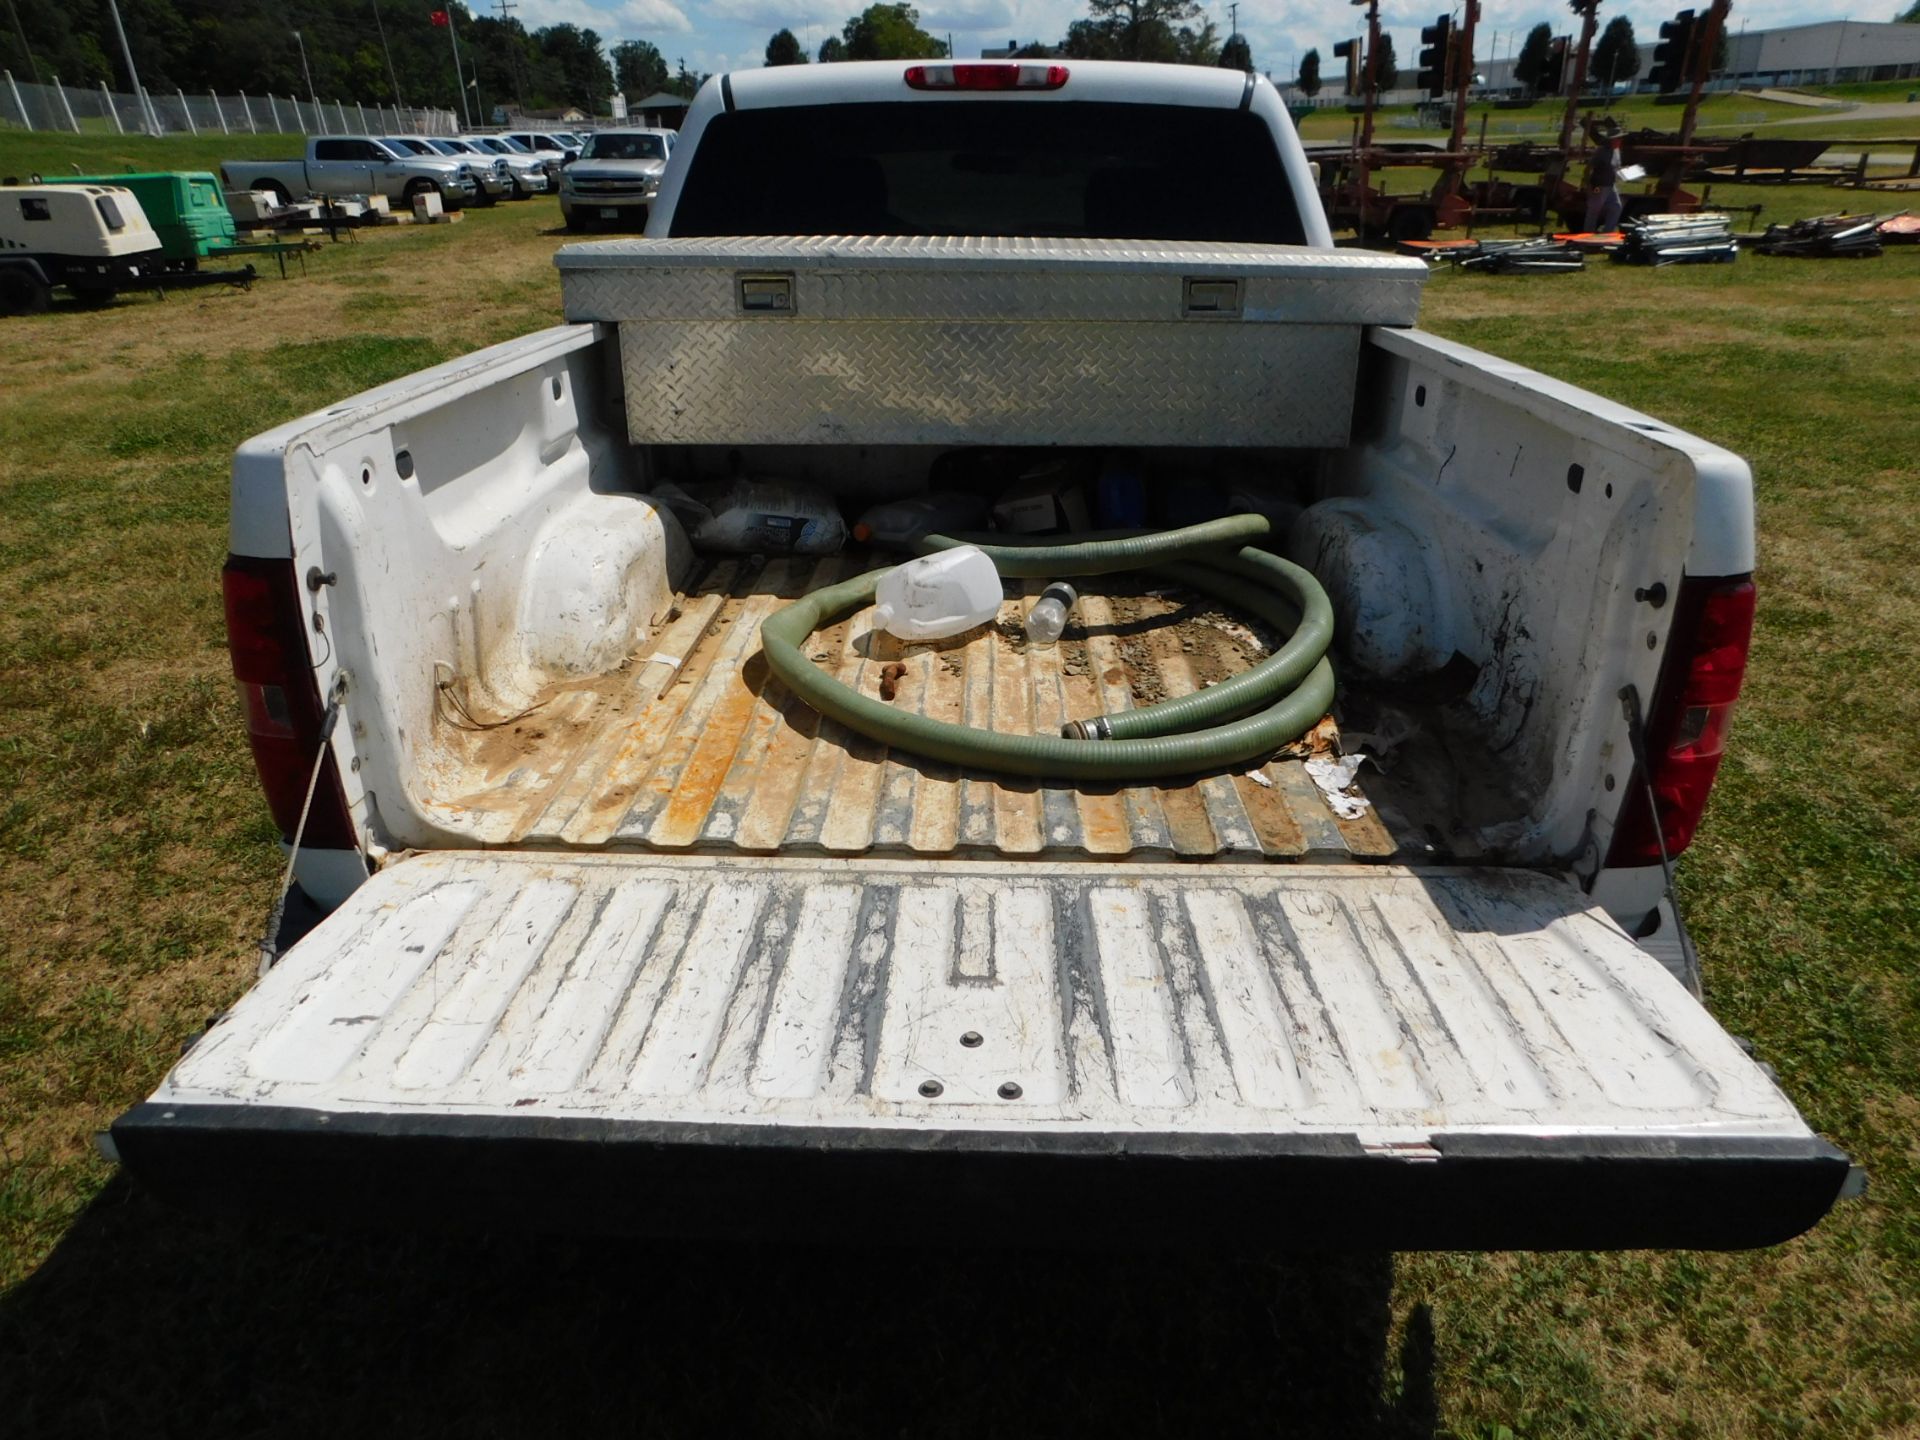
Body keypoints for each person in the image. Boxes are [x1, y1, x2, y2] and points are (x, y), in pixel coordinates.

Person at [1584, 123, 1625, 234]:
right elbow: (1590, 167)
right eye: (1618, 139)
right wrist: (1588, 184)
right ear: (1612, 140)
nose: (1620, 141)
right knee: (1594, 209)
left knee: (1616, 207)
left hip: (1610, 184)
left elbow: (1616, 166)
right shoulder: (1602, 151)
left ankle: (1608, 232)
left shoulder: (1616, 151)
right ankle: (1588, 233)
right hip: (1598, 185)